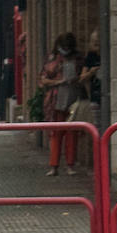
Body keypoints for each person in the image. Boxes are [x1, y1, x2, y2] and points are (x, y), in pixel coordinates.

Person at [39, 32, 85, 176]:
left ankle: (70, 165)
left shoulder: (78, 58)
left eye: (68, 47)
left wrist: (77, 79)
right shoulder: (53, 58)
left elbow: (83, 75)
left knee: (72, 135)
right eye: (63, 47)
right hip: (56, 101)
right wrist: (58, 82)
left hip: (73, 99)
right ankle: (54, 166)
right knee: (56, 134)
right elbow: (43, 79)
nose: (65, 50)